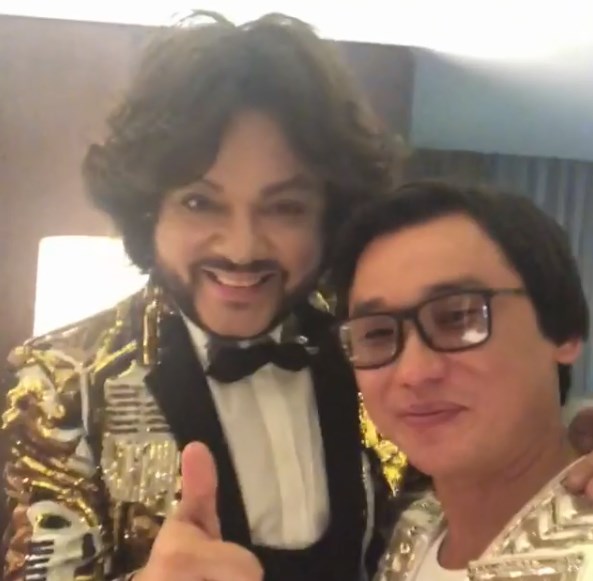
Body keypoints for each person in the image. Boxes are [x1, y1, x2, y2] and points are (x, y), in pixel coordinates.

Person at [0, 11, 402, 581]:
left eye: (285, 207)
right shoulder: (60, 381)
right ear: (149, 210)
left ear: (327, 217)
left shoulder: (377, 349)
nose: (241, 248)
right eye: (199, 203)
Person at [333, 180, 593, 579]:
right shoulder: (412, 532)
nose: (414, 373)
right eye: (378, 333)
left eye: (458, 318)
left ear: (563, 331)